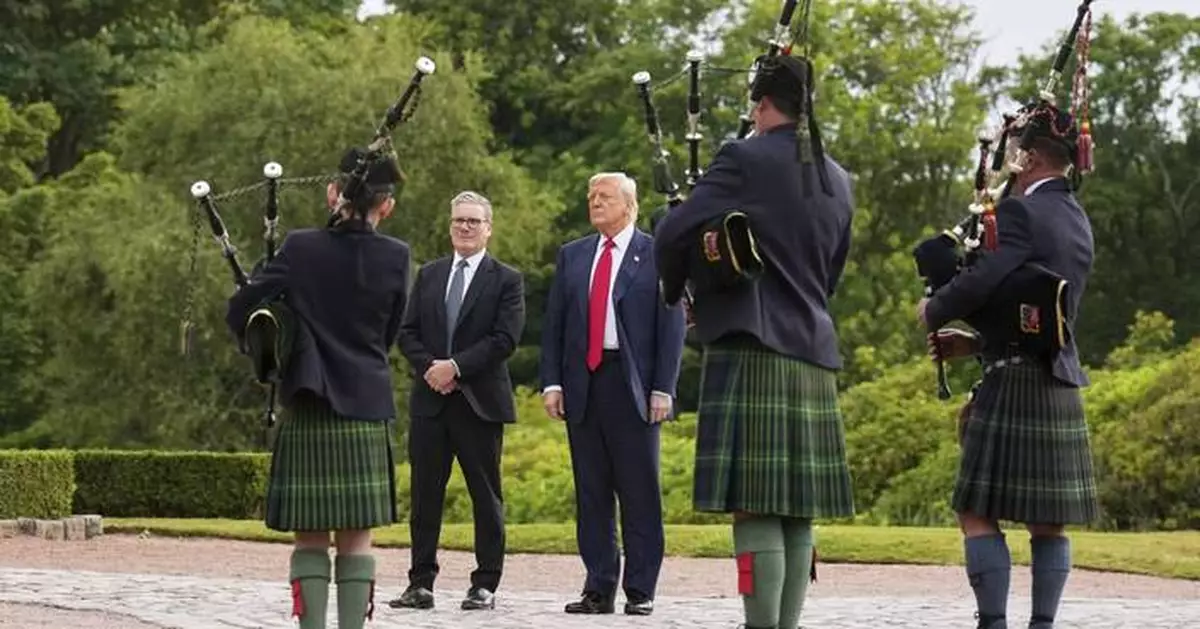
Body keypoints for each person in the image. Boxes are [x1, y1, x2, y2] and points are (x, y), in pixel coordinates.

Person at [652, 53, 856, 629]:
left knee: (754, 504)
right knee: (795, 508)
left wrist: (683, 290)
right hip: (814, 349)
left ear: (762, 104)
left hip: (754, 345)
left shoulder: (742, 157)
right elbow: (831, 273)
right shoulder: (839, 180)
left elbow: (672, 232)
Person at [919, 104, 1098, 629]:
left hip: (1015, 380)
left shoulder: (1020, 212)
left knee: (975, 510)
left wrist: (934, 308)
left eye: (1016, 146)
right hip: (1059, 377)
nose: (1009, 158)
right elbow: (1040, 309)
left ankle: (993, 623)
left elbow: (985, 279)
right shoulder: (1076, 217)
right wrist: (975, 344)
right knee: (1049, 522)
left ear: (1031, 156)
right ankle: (1042, 624)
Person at [225, 147, 411, 629]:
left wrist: (279, 339)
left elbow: (240, 310)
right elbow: (389, 333)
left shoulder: (300, 248)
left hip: (308, 400)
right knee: (356, 538)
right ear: (385, 206)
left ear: (333, 194)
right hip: (366, 401)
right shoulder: (396, 256)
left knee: (310, 537)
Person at [538, 171, 687, 616]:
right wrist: (552, 381)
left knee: (639, 490)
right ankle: (598, 587)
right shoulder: (573, 255)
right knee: (592, 491)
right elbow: (556, 325)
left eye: (604, 196)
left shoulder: (656, 254)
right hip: (584, 381)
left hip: (634, 383)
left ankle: (640, 589)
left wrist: (664, 387)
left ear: (629, 205)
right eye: (591, 196)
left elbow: (672, 325)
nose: (594, 202)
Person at [389, 191, 525, 611]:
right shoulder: (429, 275)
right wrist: (433, 367)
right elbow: (406, 331)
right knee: (425, 496)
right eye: (458, 221)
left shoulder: (506, 279)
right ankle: (420, 583)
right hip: (431, 401)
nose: (465, 227)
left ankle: (485, 583)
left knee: (486, 497)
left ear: (488, 228)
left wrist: (456, 368)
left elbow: (505, 339)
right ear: (450, 226)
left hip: (478, 403)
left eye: (473, 221)